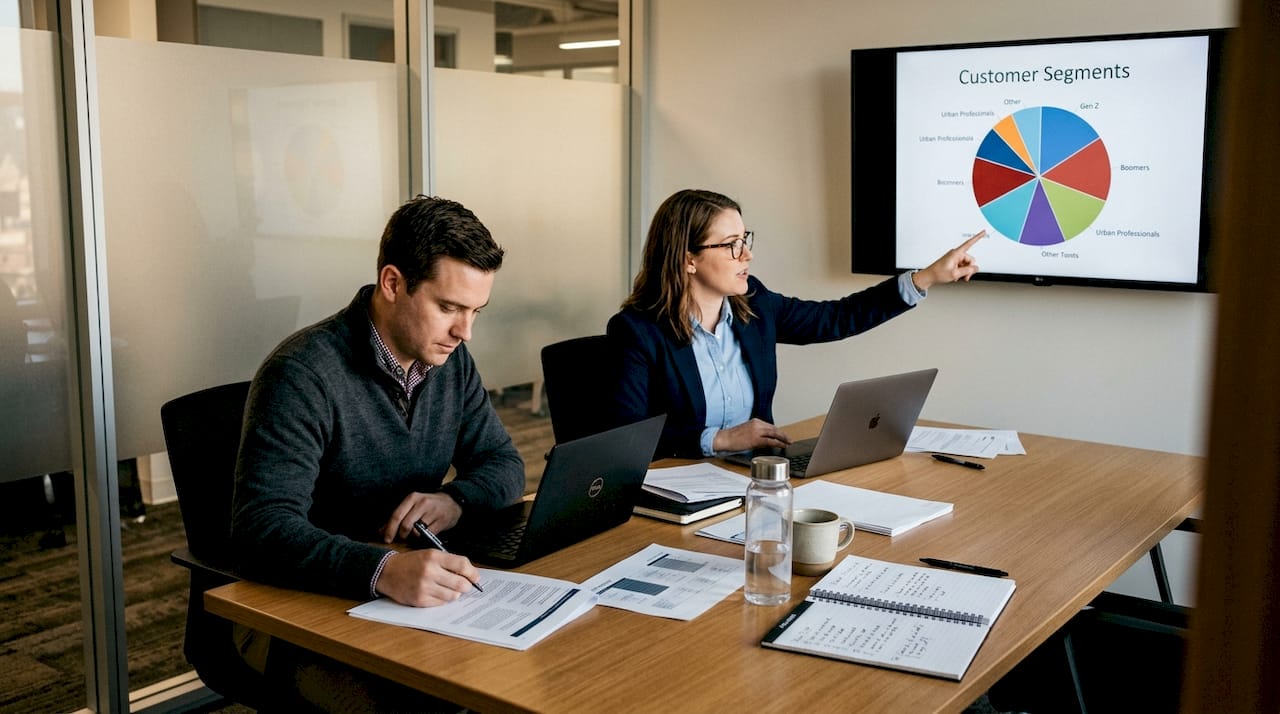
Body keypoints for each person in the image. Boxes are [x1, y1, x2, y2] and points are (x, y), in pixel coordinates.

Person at [231, 195, 525, 711]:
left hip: (407, 595)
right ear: (392, 284)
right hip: (294, 611)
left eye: (476, 311)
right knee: (430, 699)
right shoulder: (302, 375)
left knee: (513, 676)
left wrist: (453, 501)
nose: (465, 331)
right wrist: (382, 569)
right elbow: (263, 529)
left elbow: (504, 466)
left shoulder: (449, 363)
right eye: (449, 307)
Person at [608, 188, 982, 460]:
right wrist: (719, 439)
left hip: (753, 479)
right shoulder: (637, 332)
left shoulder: (753, 305)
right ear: (688, 259)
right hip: (676, 493)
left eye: (745, 239)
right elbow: (627, 441)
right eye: (731, 245)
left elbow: (834, 318)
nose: (747, 254)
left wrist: (927, 277)